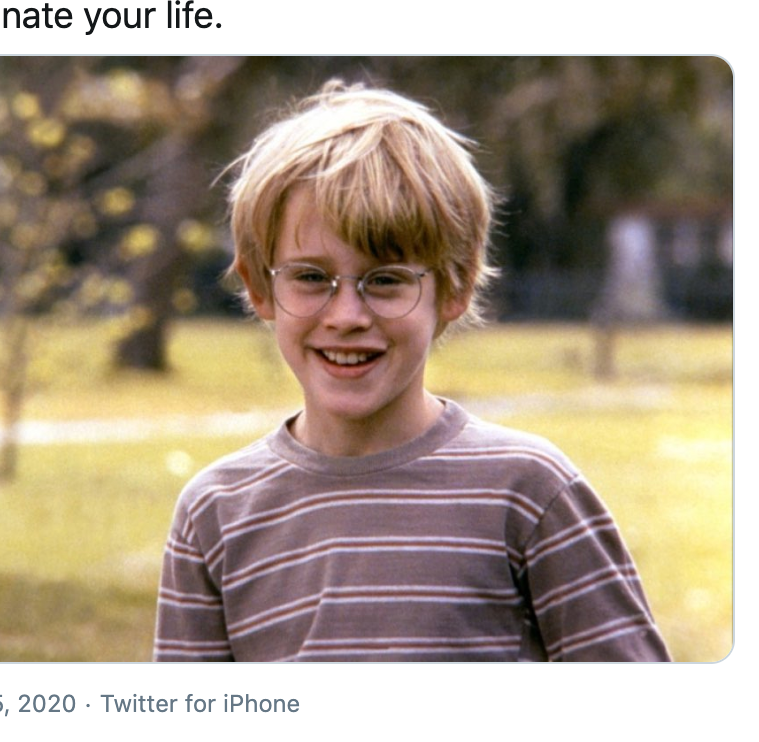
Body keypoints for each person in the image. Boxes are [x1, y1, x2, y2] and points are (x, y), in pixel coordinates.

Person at [154, 82, 670, 662]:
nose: (346, 316)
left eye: (386, 279)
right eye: (309, 277)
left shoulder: (529, 492)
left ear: (453, 287)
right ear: (258, 287)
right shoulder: (216, 512)